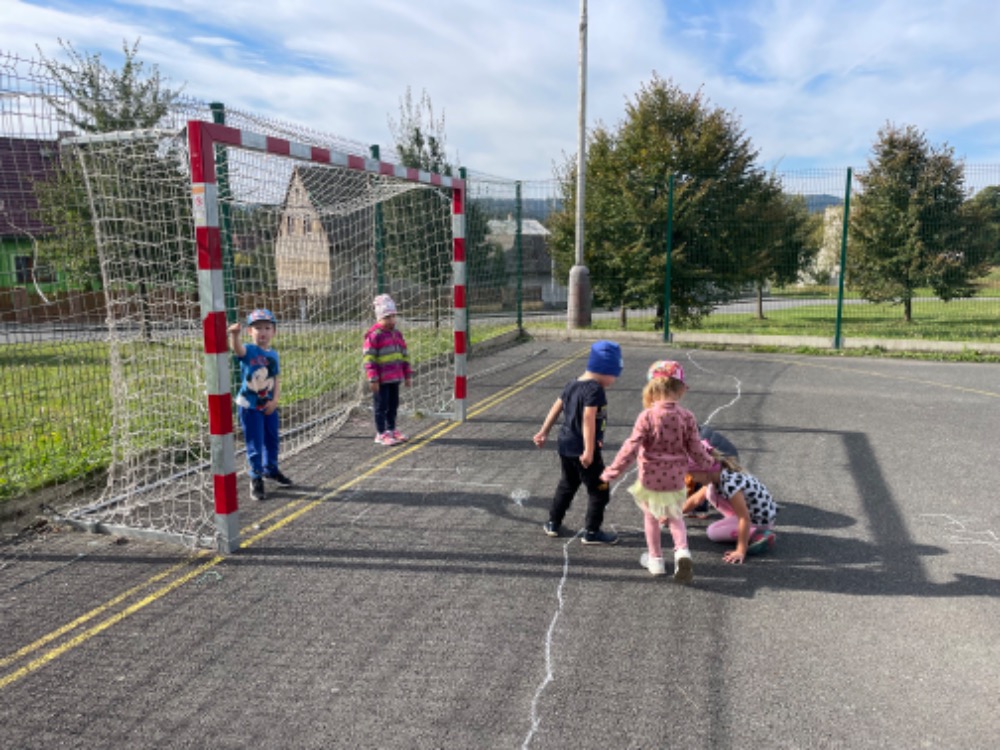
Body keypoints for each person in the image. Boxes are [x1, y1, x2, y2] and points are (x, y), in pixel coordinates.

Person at [600, 360, 716, 582]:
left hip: (650, 479)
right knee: (675, 517)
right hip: (676, 478)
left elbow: (631, 447)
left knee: (651, 518)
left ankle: (656, 560)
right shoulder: (686, 416)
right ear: (680, 389)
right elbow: (696, 448)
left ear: (652, 388)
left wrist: (613, 471)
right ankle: (682, 553)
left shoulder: (647, 416)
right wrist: (709, 463)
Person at [533, 340, 623, 545]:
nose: (614, 380)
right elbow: (588, 418)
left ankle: (553, 523)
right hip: (584, 449)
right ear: (604, 368)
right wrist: (589, 451)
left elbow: (556, 406)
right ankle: (592, 532)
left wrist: (544, 431)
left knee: (567, 484)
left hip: (565, 445)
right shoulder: (595, 389)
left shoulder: (572, 383)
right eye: (614, 375)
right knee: (600, 489)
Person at [228, 308, 292, 502]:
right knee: (255, 442)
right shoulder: (249, 350)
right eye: (257, 328)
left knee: (272, 439)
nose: (262, 332)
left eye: (267, 328)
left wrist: (275, 400)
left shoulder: (274, 354)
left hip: (268, 405)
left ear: (274, 331)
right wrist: (234, 335)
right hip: (249, 406)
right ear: (250, 331)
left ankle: (270, 470)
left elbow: (276, 379)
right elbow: (237, 350)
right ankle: (256, 477)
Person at [683, 446, 778, 564]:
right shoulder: (718, 473)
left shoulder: (729, 484)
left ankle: (757, 535)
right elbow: (695, 500)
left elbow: (744, 518)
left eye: (692, 475)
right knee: (709, 492)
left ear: (704, 469)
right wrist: (672, 515)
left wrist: (740, 550)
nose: (693, 479)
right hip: (754, 513)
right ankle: (741, 526)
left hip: (759, 520)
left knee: (713, 532)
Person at [363, 294, 412, 446]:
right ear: (379, 318)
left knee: (393, 405)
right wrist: (373, 378)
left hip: (395, 378)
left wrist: (407, 374)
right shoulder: (374, 336)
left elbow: (404, 354)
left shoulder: (397, 334)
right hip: (381, 380)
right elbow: (369, 358)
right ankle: (381, 433)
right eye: (387, 317)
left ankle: (391, 429)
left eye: (393, 316)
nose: (391, 320)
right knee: (381, 406)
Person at [684, 425, 740, 519]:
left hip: (725, 460)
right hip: (726, 459)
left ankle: (700, 509)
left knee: (700, 481)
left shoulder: (698, 444)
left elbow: (696, 498)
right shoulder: (698, 433)